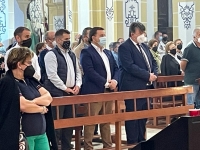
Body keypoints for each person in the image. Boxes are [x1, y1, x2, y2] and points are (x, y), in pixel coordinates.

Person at [0, 47, 57, 150]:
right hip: (23, 136)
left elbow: (48, 97)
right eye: (29, 63)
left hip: (41, 133)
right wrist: (42, 109)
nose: (32, 66)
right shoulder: (9, 82)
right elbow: (23, 105)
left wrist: (32, 102)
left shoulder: (31, 80)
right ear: (19, 65)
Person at [118, 22, 158, 146]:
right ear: (132, 34)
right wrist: (147, 75)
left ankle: (141, 139)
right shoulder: (125, 47)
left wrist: (154, 73)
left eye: (143, 32)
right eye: (140, 33)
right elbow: (129, 66)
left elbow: (153, 62)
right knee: (133, 115)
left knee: (143, 114)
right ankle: (133, 141)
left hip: (147, 87)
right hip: (132, 87)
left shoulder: (144, 46)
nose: (143, 35)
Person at [80, 27, 119, 150]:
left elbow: (116, 68)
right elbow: (89, 71)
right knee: (91, 121)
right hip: (94, 90)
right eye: (101, 35)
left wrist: (114, 81)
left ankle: (107, 145)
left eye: (105, 35)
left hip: (108, 91)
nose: (104, 37)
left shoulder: (107, 52)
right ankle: (88, 146)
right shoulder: (87, 52)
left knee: (106, 120)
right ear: (93, 38)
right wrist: (106, 83)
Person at [44, 29, 82, 150]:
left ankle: (66, 147)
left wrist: (78, 85)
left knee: (69, 124)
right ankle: (56, 147)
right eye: (66, 39)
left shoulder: (71, 54)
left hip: (71, 93)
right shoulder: (51, 54)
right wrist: (65, 88)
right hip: (57, 93)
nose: (68, 41)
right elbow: (52, 75)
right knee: (57, 124)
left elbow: (78, 72)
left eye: (69, 39)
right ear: (58, 40)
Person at [181, 28, 200, 108]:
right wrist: (190, 73)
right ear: (194, 37)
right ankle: (189, 119)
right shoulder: (189, 48)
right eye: (199, 35)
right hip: (192, 80)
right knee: (190, 103)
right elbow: (183, 65)